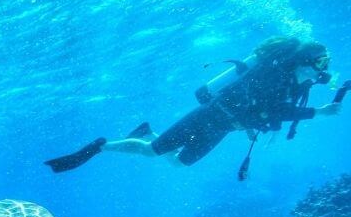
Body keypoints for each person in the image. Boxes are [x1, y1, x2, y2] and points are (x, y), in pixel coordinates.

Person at [45, 37, 342, 173]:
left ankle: (148, 131)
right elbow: (275, 111)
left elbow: (263, 112)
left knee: (179, 163)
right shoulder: (273, 74)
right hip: (208, 116)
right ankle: (100, 145)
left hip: (225, 128)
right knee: (152, 153)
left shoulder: (291, 84)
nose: (322, 70)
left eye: (325, 64)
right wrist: (320, 112)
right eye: (320, 63)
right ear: (304, 60)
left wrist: (252, 126)